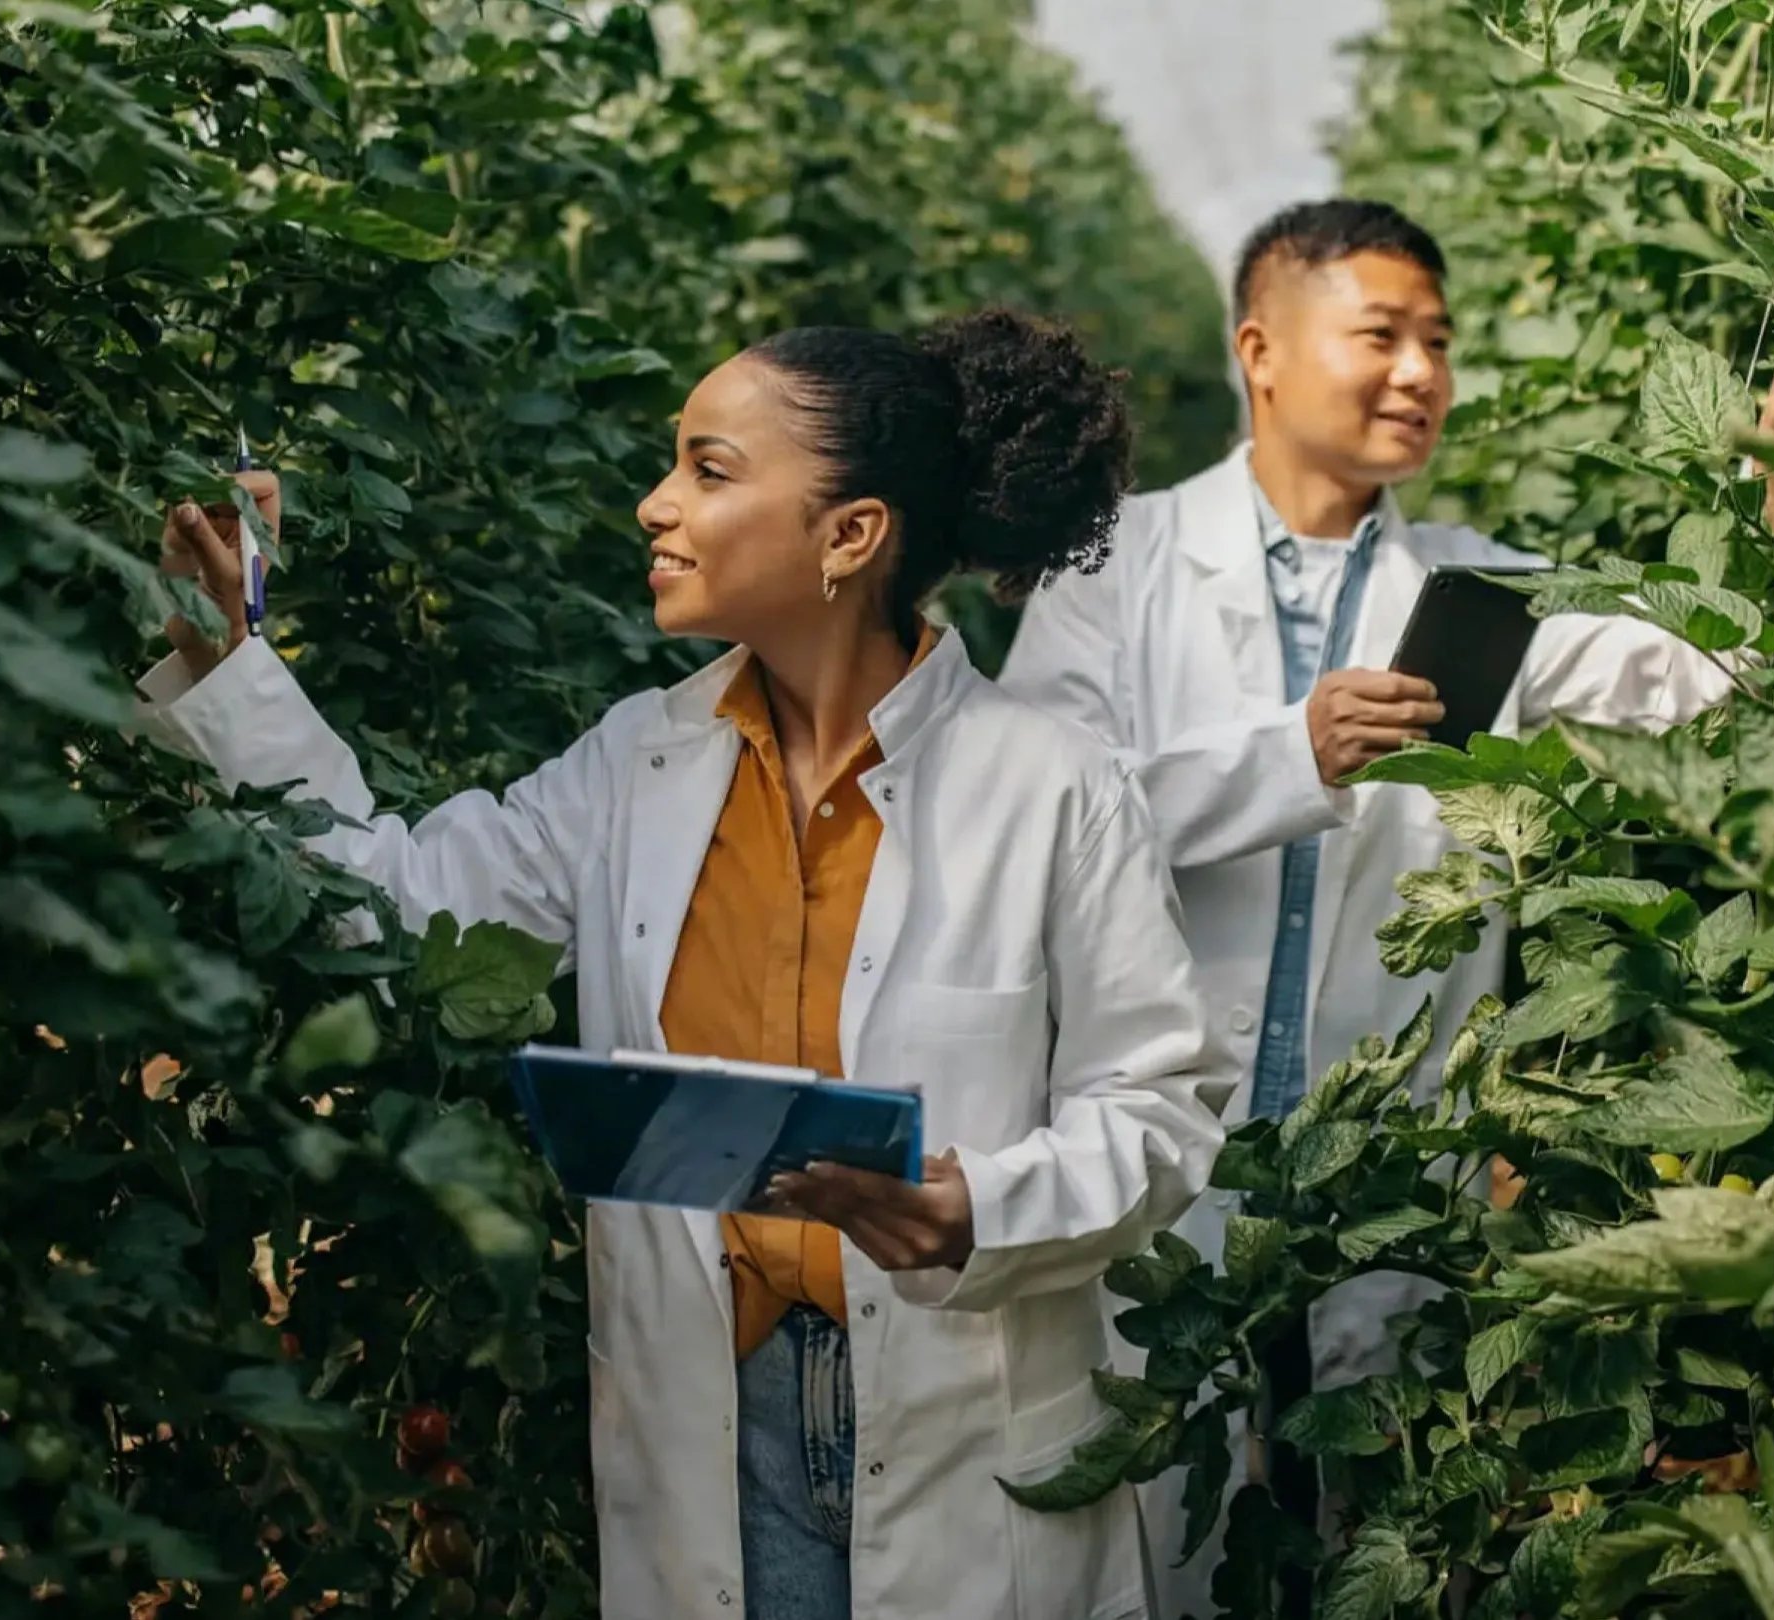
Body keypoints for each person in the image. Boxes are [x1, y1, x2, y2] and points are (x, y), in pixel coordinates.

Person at [135, 309, 1231, 1620]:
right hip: (718, 1413)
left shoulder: (1054, 787)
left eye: (709, 470)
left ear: (849, 536)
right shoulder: (633, 764)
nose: (657, 504)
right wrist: (229, 658)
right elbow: (395, 911)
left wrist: (982, 1207)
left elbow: (1160, 1109)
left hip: (964, 1415)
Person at [997, 200, 1735, 1613]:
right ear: (1260, 351)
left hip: (1390, 1190)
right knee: (1155, 1544)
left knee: (1379, 1550)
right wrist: (1293, 755)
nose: (1419, 374)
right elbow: (1025, 831)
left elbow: (1700, 680)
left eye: (1439, 344)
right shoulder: (1115, 568)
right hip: (1167, 1170)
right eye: (1382, 335)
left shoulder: (1486, 595)